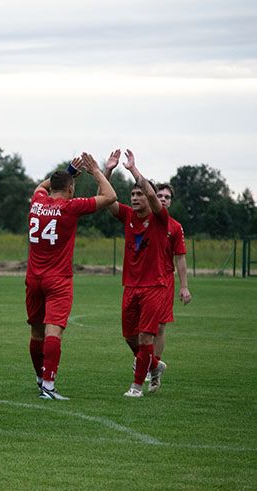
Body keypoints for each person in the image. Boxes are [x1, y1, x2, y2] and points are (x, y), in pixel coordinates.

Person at [25, 153, 116, 400]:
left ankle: (40, 379)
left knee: (36, 333)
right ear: (70, 189)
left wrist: (68, 171)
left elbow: (41, 186)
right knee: (53, 332)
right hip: (58, 280)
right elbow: (110, 196)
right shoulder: (70, 207)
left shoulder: (37, 201)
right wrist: (96, 171)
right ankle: (48, 386)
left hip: (33, 278)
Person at [102, 149, 170, 398]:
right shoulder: (128, 216)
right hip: (130, 286)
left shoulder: (160, 218)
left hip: (153, 287)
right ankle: (154, 365)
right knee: (130, 337)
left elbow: (152, 194)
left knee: (145, 337)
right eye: (132, 194)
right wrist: (107, 170)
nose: (135, 197)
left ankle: (137, 386)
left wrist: (133, 170)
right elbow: (106, 199)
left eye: (139, 194)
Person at [148, 183, 192, 392]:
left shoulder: (175, 227)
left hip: (164, 281)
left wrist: (184, 286)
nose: (163, 199)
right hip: (142, 281)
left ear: (171, 202)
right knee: (140, 330)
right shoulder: (142, 220)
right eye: (159, 196)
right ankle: (151, 365)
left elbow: (180, 258)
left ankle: (153, 370)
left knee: (159, 327)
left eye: (167, 197)